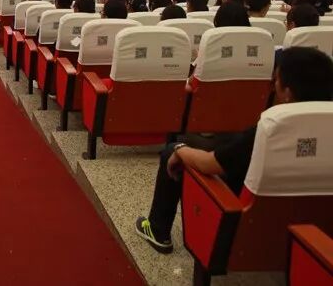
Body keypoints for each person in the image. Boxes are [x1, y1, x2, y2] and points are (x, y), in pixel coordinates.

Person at [135, 46, 333, 254]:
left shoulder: (271, 130)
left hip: (248, 229)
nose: (273, 86)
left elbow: (208, 164)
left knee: (172, 151)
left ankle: (157, 231)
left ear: (288, 92)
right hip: (317, 237)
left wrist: (180, 149)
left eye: (276, 80)